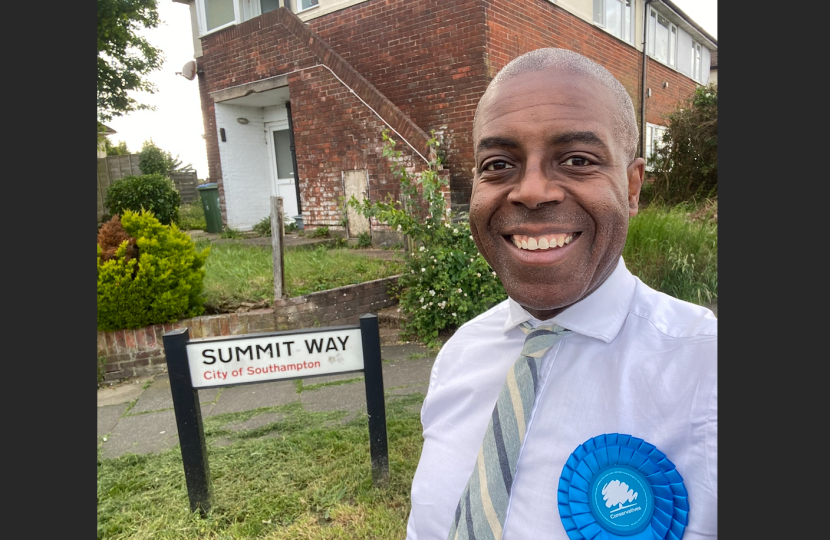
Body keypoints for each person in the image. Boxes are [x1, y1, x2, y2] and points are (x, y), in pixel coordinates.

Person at [405, 48, 717, 540]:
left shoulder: (709, 368)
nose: (531, 190)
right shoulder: (459, 356)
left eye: (577, 160)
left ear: (633, 187)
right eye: (499, 163)